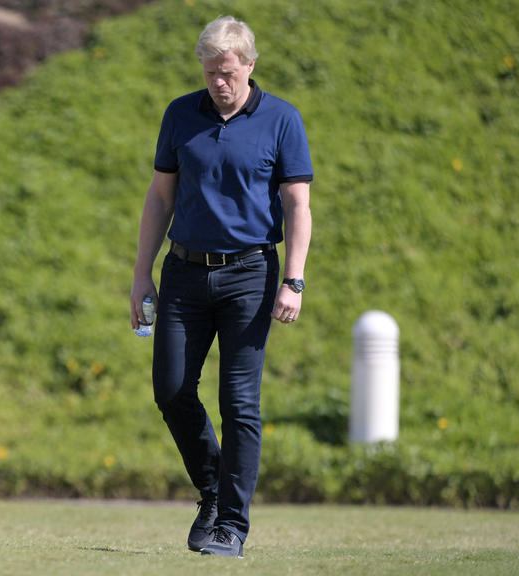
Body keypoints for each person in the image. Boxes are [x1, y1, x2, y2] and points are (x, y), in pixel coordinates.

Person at [130, 15, 312, 558]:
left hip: (250, 275)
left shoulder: (282, 119)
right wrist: (142, 273)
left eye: (227, 72)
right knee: (170, 389)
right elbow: (160, 197)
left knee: (240, 403)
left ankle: (231, 524)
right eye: (210, 73)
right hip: (184, 272)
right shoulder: (180, 114)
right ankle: (212, 490)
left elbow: (297, 204)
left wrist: (293, 279)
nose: (218, 83)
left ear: (250, 65)